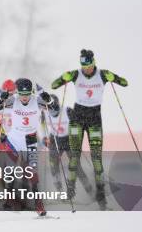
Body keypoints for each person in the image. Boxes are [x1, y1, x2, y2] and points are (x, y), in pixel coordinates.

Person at [51, 49, 128, 209]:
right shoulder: (75, 74)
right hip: (77, 119)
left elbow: (125, 82)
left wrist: (114, 78)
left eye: (88, 65)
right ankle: (70, 194)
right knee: (74, 158)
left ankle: (102, 201)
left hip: (94, 119)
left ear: (93, 62)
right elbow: (54, 85)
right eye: (83, 65)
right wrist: (63, 78)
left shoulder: (102, 74)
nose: (85, 68)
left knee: (97, 161)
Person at [0, 78, 57, 216]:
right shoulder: (13, 100)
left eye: (27, 94)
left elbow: (54, 111)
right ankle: (8, 200)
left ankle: (38, 204)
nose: (24, 97)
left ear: (31, 92)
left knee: (32, 173)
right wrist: (1, 99)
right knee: (9, 170)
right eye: (22, 94)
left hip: (30, 140)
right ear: (17, 92)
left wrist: (49, 100)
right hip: (14, 139)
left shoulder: (37, 100)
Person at [44, 95, 92, 194]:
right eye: (50, 110)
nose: (53, 113)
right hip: (55, 140)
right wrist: (44, 138)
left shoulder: (67, 111)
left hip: (69, 139)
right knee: (54, 165)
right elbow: (41, 126)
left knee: (76, 166)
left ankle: (90, 190)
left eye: (55, 110)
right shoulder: (43, 113)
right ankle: (59, 191)